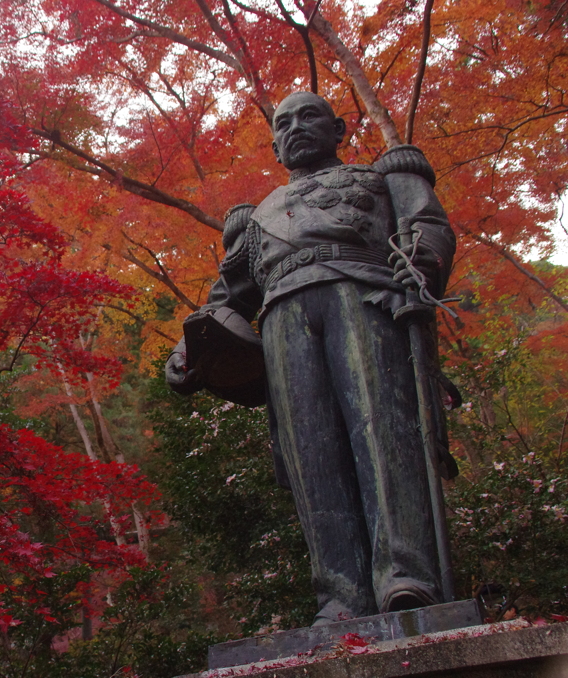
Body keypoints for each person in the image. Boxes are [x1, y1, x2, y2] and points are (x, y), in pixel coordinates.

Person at [166, 92, 457, 624]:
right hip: (283, 319)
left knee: (382, 431)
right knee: (312, 453)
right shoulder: (260, 217)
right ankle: (339, 594)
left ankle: (405, 573)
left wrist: (420, 267)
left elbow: (428, 227)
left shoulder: (378, 181)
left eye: (309, 116)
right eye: (284, 123)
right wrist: (191, 348)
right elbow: (229, 296)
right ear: (275, 145)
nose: (296, 128)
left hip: (364, 298)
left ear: (339, 128)